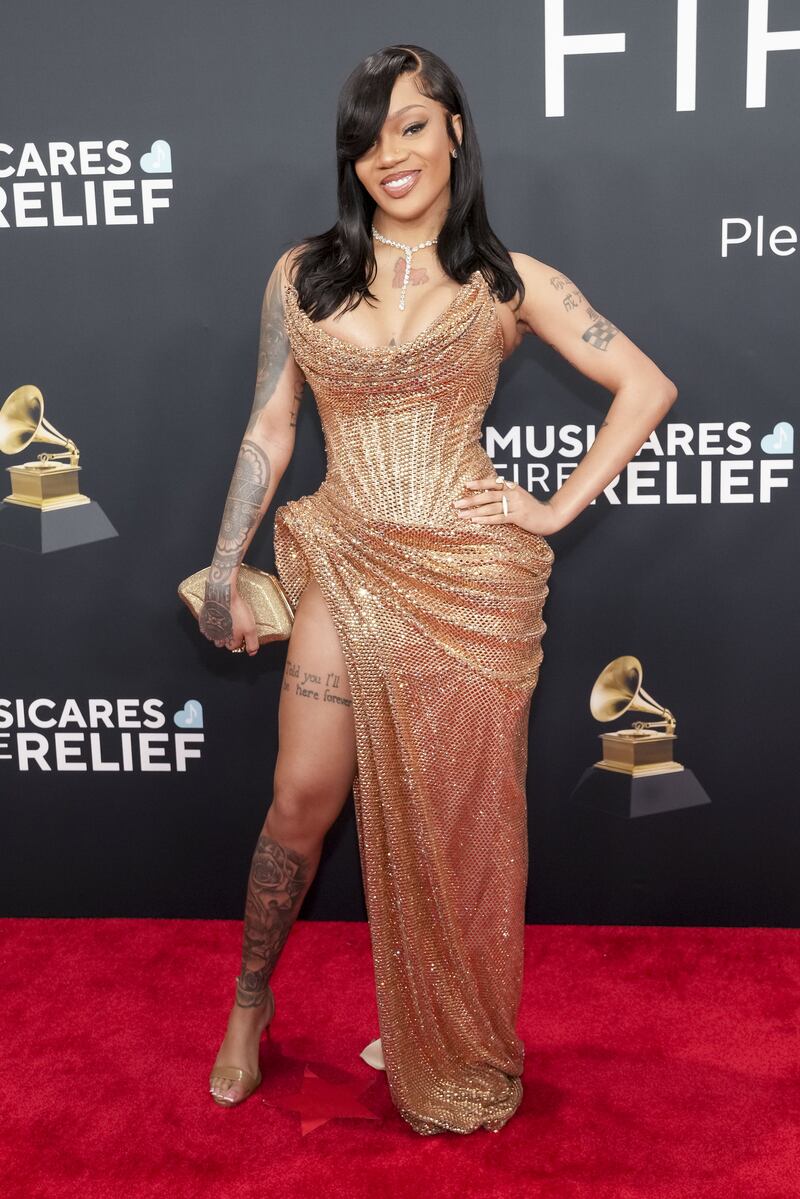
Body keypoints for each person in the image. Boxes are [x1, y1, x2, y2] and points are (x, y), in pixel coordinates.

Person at [201, 44, 677, 1135]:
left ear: (453, 131)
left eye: (410, 127)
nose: (389, 155)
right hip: (344, 558)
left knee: (465, 824)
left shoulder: (508, 283)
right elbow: (271, 429)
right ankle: (247, 1002)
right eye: (368, 139)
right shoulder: (301, 275)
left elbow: (642, 385)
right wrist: (227, 568)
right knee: (298, 798)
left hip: (469, 589)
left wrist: (552, 506)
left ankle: (436, 1024)